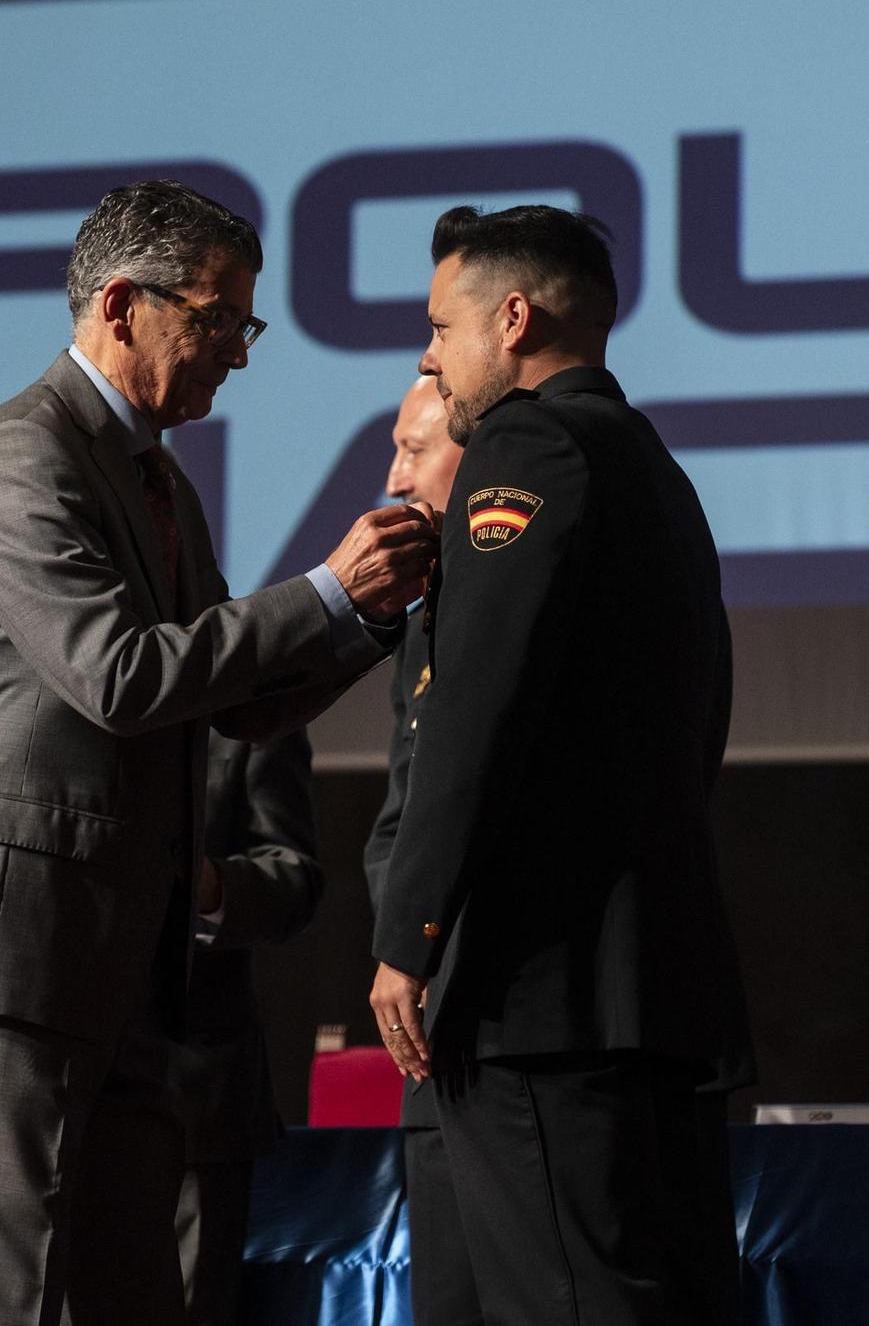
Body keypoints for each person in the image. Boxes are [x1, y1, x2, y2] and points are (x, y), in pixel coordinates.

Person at [0, 178, 436, 1326]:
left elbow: (232, 700)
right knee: (2, 1300)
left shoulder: (156, 477)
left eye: (246, 324)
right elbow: (123, 674)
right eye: (218, 318)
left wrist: (372, 617)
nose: (237, 353)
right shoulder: (14, 458)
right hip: (13, 955)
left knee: (134, 1296)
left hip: (135, 966)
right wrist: (326, 587)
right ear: (124, 304)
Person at [367, 206, 753, 1325]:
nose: (430, 356)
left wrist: (409, 930)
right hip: (650, 985)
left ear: (514, 318)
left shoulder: (527, 445)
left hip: (541, 998)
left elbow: (474, 709)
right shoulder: (653, 469)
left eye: (441, 327)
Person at [361, 375, 482, 1326]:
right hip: (428, 1036)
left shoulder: (502, 599)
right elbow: (399, 814)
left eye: (416, 449)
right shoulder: (422, 612)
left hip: (505, 1022)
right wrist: (404, 942)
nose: (395, 478)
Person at [173, 728, 323, 1325]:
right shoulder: (50, 681)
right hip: (64, 1086)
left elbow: (295, 878)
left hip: (194, 1091)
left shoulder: (252, 714)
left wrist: (211, 886)